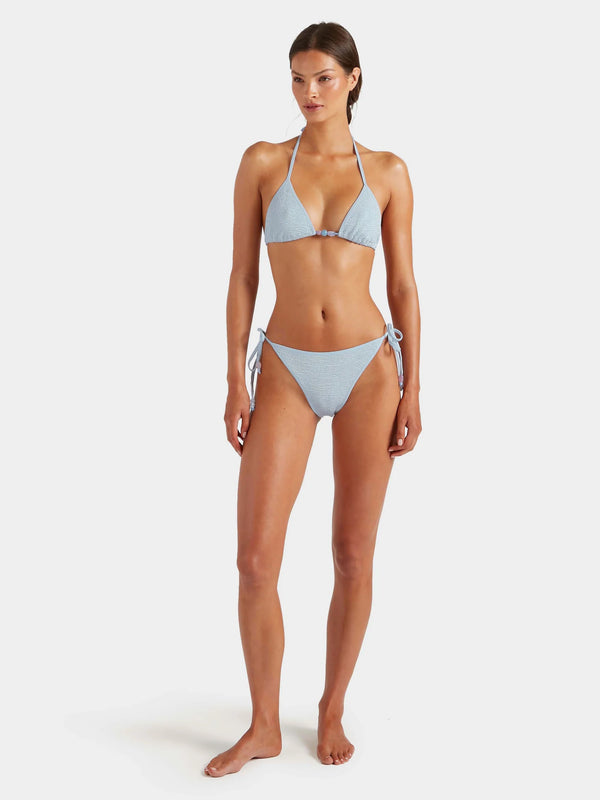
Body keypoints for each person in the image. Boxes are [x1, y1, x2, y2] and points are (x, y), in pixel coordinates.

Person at [205, 21, 422, 777]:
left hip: (369, 370)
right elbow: (242, 277)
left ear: (353, 79)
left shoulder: (387, 171)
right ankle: (264, 725)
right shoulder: (263, 163)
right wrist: (234, 377)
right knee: (254, 560)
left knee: (352, 554)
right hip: (286, 370)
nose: (309, 93)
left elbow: (403, 286)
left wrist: (415, 387)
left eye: (324, 78)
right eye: (298, 79)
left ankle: (331, 707)